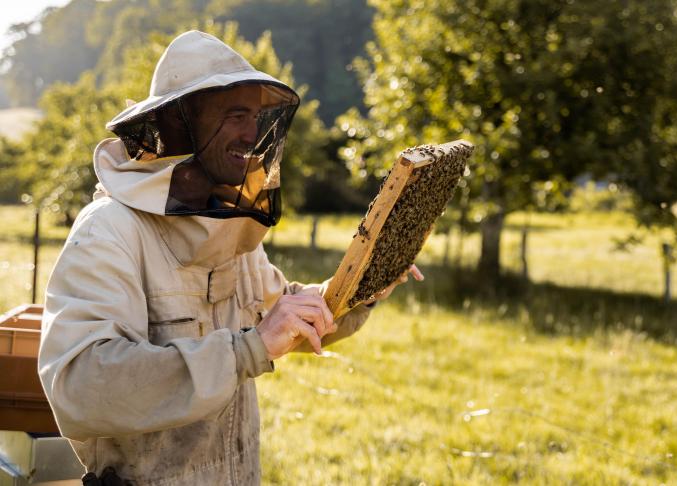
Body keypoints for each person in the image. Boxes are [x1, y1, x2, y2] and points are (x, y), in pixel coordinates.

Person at [38, 30, 422, 485]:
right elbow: (82, 385)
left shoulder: (231, 229)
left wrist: (363, 288)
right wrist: (245, 349)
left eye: (256, 117)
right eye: (236, 115)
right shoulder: (110, 230)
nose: (252, 133)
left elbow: (286, 319)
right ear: (180, 123)